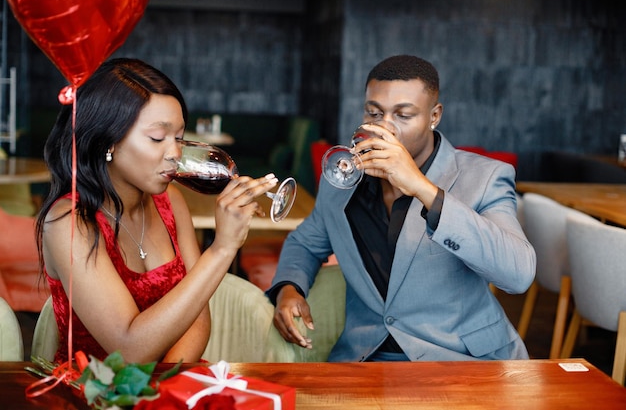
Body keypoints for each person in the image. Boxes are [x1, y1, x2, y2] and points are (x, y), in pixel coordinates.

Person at [267, 55, 536, 362]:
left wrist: (422, 187)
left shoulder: (485, 177)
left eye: (404, 115)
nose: (385, 128)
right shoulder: (342, 179)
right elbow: (305, 242)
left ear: (434, 116)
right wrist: (289, 288)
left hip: (463, 361)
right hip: (367, 357)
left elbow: (518, 274)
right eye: (374, 112)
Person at [35, 58, 279, 364]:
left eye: (178, 137)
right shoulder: (69, 222)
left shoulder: (171, 203)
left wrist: (163, 390)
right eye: (156, 138)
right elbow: (129, 351)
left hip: (173, 385)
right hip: (96, 394)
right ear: (107, 139)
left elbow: (198, 321)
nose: (175, 154)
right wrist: (221, 249)